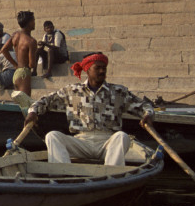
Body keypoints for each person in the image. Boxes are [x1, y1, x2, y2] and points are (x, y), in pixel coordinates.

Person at [23, 53, 154, 166]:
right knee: (52, 136)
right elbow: (45, 101)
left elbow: (144, 106)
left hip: (108, 142)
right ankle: (63, 175)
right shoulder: (72, 91)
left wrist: (148, 114)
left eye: (104, 68)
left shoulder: (119, 92)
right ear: (87, 70)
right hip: (81, 141)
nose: (102, 71)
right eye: (98, 68)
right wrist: (33, 112)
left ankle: (111, 174)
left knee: (122, 136)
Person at [0, 10, 37, 98]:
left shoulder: (15, 35)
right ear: (29, 23)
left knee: (20, 103)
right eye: (33, 20)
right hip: (24, 73)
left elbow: (4, 50)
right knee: (26, 103)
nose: (34, 23)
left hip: (16, 72)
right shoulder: (31, 41)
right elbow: (32, 64)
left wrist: (15, 64)